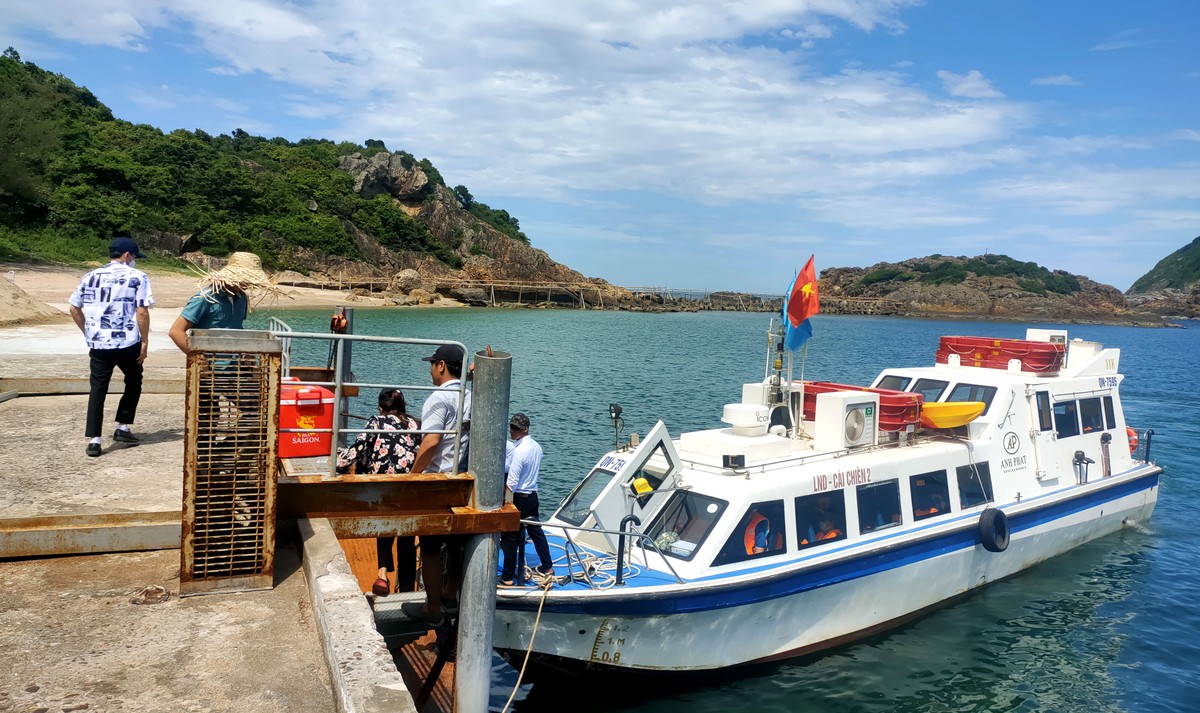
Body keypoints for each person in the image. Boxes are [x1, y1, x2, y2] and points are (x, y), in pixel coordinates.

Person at [401, 344, 472, 626]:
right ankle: (450, 594)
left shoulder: (438, 398)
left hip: (437, 480)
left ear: (441, 365)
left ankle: (432, 609)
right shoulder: (468, 395)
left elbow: (431, 442)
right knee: (454, 545)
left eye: (432, 364)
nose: (430, 369)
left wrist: (413, 476)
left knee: (429, 548)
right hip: (460, 479)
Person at [68, 237, 154, 457]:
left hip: (99, 343)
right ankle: (123, 427)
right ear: (127, 255)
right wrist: (144, 341)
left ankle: (95, 440)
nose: (134, 259)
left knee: (98, 388)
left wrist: (88, 332)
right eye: (134, 256)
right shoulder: (138, 277)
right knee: (134, 381)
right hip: (127, 342)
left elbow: (74, 308)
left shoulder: (90, 276)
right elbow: (141, 312)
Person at [335, 389, 421, 597]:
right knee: (406, 536)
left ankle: (382, 575)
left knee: (384, 523)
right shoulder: (414, 424)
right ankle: (408, 589)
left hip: (381, 490)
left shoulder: (375, 421)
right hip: (408, 489)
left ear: (380, 408)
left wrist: (339, 462)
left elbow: (359, 448)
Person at [168, 251, 274, 350]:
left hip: (236, 364)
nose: (248, 284)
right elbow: (176, 331)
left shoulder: (242, 298)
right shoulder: (205, 297)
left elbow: (237, 328)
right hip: (209, 364)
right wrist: (197, 357)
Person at [499, 413, 554, 585]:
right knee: (536, 532)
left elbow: (513, 481)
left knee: (510, 537)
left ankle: (507, 577)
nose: (512, 430)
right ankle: (548, 567)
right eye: (511, 426)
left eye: (515, 428)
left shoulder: (518, 451)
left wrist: (506, 503)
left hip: (519, 498)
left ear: (525, 429)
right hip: (532, 496)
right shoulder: (537, 447)